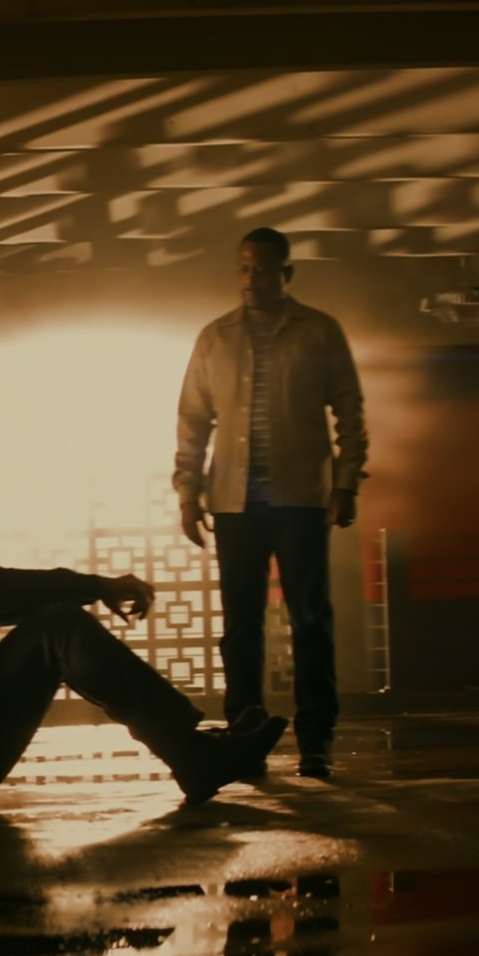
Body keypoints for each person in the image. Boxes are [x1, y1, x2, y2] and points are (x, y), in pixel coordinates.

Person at [0, 443, 287, 811]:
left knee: (54, 621)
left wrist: (86, 589)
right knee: (59, 627)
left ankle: (192, 748)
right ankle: (193, 755)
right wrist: (95, 585)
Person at [175, 227, 368, 779]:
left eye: (261, 269)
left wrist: (346, 484)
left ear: (286, 273)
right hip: (234, 502)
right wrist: (188, 493)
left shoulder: (319, 331)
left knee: (310, 621)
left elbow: (350, 411)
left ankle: (316, 741)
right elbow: (192, 421)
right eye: (242, 268)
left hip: (301, 498)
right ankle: (245, 735)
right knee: (241, 625)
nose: (250, 279)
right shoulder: (215, 337)